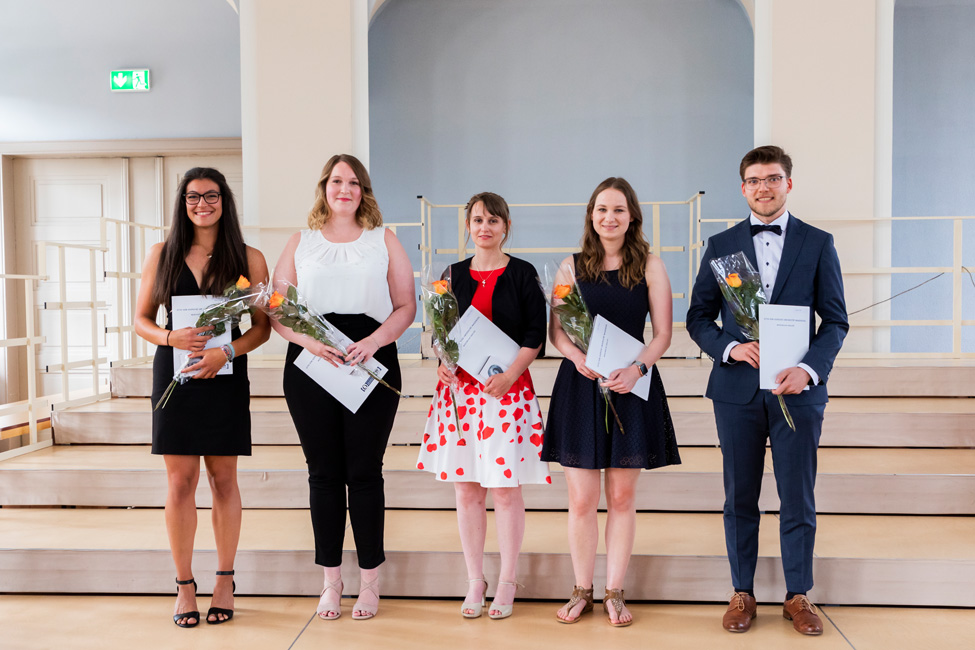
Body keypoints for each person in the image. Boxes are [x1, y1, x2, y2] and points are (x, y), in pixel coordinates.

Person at [686, 145, 848, 636]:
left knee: (798, 495)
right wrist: (731, 348)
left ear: (788, 184)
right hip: (736, 392)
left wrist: (809, 369)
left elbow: (836, 321)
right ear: (743, 188)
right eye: (755, 180)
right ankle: (742, 592)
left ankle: (798, 594)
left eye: (773, 178)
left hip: (797, 392)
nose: (764, 187)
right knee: (739, 496)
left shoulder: (818, 243)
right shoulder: (721, 245)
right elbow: (698, 318)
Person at [273, 154, 415, 621]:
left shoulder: (383, 239)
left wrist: (374, 342)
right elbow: (277, 309)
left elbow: (405, 306)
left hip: (369, 361)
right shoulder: (301, 242)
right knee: (324, 474)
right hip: (313, 363)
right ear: (324, 187)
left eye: (354, 182)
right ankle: (331, 583)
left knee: (365, 473)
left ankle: (370, 582)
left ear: (363, 191)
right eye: (337, 181)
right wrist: (308, 343)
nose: (345, 189)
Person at [135, 167, 271, 628]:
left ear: (224, 201)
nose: (202, 204)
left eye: (211, 196)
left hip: (225, 375)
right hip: (175, 375)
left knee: (223, 480)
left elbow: (262, 328)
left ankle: (225, 581)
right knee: (179, 483)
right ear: (183, 204)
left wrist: (225, 352)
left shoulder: (249, 258)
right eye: (193, 197)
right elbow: (140, 320)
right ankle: (184, 585)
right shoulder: (162, 254)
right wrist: (170, 337)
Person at [541, 177, 681, 627]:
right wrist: (577, 357)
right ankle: (581, 589)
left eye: (619, 209)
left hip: (630, 385)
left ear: (632, 216)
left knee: (621, 496)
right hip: (581, 385)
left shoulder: (651, 266)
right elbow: (557, 332)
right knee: (581, 500)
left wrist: (637, 369)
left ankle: (614, 592)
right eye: (602, 209)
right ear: (591, 215)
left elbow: (662, 334)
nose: (609, 217)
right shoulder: (570, 266)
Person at [416, 192, 550, 620]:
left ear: (505, 226)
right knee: (467, 489)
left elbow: (536, 334)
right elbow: (440, 334)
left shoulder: (523, 273)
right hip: (461, 396)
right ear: (468, 226)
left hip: (506, 393)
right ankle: (476, 580)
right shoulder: (451, 275)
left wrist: (510, 374)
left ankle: (507, 580)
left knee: (506, 490)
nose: (485, 227)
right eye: (477, 220)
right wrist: (441, 361)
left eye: (493, 220)